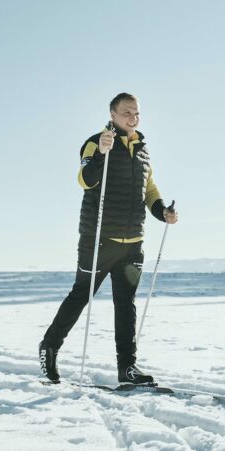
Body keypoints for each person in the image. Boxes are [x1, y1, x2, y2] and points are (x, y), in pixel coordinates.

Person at [39, 92, 178, 385]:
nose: (133, 118)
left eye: (136, 113)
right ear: (112, 115)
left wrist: (162, 211)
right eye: (126, 112)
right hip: (99, 239)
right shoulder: (96, 142)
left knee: (125, 304)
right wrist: (101, 153)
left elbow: (148, 190)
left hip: (132, 242)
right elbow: (84, 180)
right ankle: (49, 347)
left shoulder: (142, 150)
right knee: (81, 296)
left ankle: (127, 367)